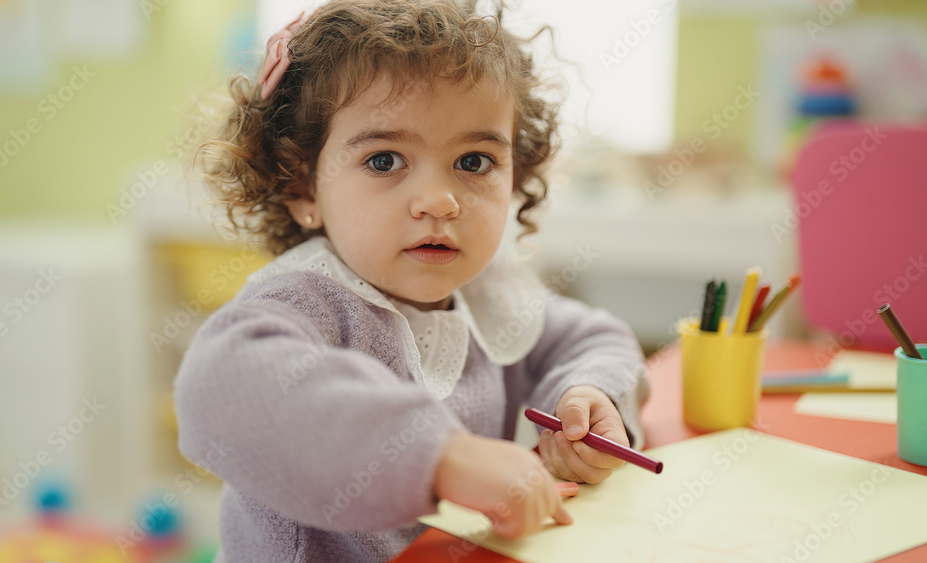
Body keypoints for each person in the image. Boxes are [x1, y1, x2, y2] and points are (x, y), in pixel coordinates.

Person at [174, 1, 649, 561]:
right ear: (302, 187)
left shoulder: (486, 291)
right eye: (384, 161)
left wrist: (588, 395)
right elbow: (219, 385)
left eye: (474, 162)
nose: (439, 201)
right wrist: (442, 458)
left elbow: (594, 338)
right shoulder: (306, 300)